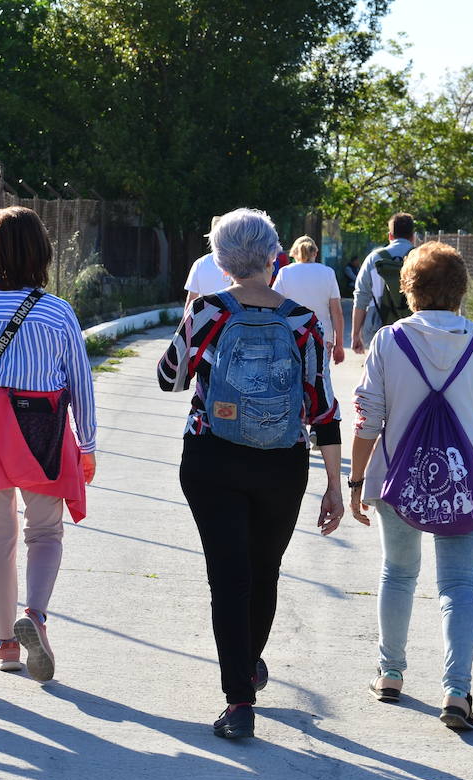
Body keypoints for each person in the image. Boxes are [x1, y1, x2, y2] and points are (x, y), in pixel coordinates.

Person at [156, 208, 344, 740]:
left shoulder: (209, 311)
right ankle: (250, 661)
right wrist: (333, 484)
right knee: (264, 572)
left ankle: (239, 700)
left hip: (211, 457)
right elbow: (323, 407)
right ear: (272, 257)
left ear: (219, 260)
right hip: (282, 463)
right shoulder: (303, 322)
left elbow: (170, 380)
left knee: (227, 578)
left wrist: (188, 328)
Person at [348, 242, 473, 731]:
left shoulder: (389, 341)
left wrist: (356, 481)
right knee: (458, 585)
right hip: (464, 482)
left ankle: (391, 673)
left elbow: (367, 420)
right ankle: (457, 691)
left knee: (398, 574)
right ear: (460, 290)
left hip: (397, 478)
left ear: (408, 288)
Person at [0, 206, 97, 683]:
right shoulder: (58, 312)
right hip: (43, 433)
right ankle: (38, 616)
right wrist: (86, 444)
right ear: (43, 255)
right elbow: (81, 384)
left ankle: (7, 642)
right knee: (45, 534)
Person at [350, 212, 417, 354]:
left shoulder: (374, 258)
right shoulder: (421, 258)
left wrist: (355, 334)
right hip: (414, 329)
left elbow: (361, 296)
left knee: (380, 374)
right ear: (413, 236)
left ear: (390, 236)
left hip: (379, 327)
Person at [273, 236, 344, 366]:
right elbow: (336, 313)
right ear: (315, 253)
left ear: (294, 254)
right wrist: (339, 344)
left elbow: (274, 307)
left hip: (292, 336)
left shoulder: (285, 273)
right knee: (320, 379)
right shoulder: (328, 273)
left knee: (295, 380)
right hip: (322, 336)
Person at [184, 216, 231, 304]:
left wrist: (186, 318)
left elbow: (191, 299)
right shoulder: (239, 264)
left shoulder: (199, 263)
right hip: (231, 316)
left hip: (206, 315)